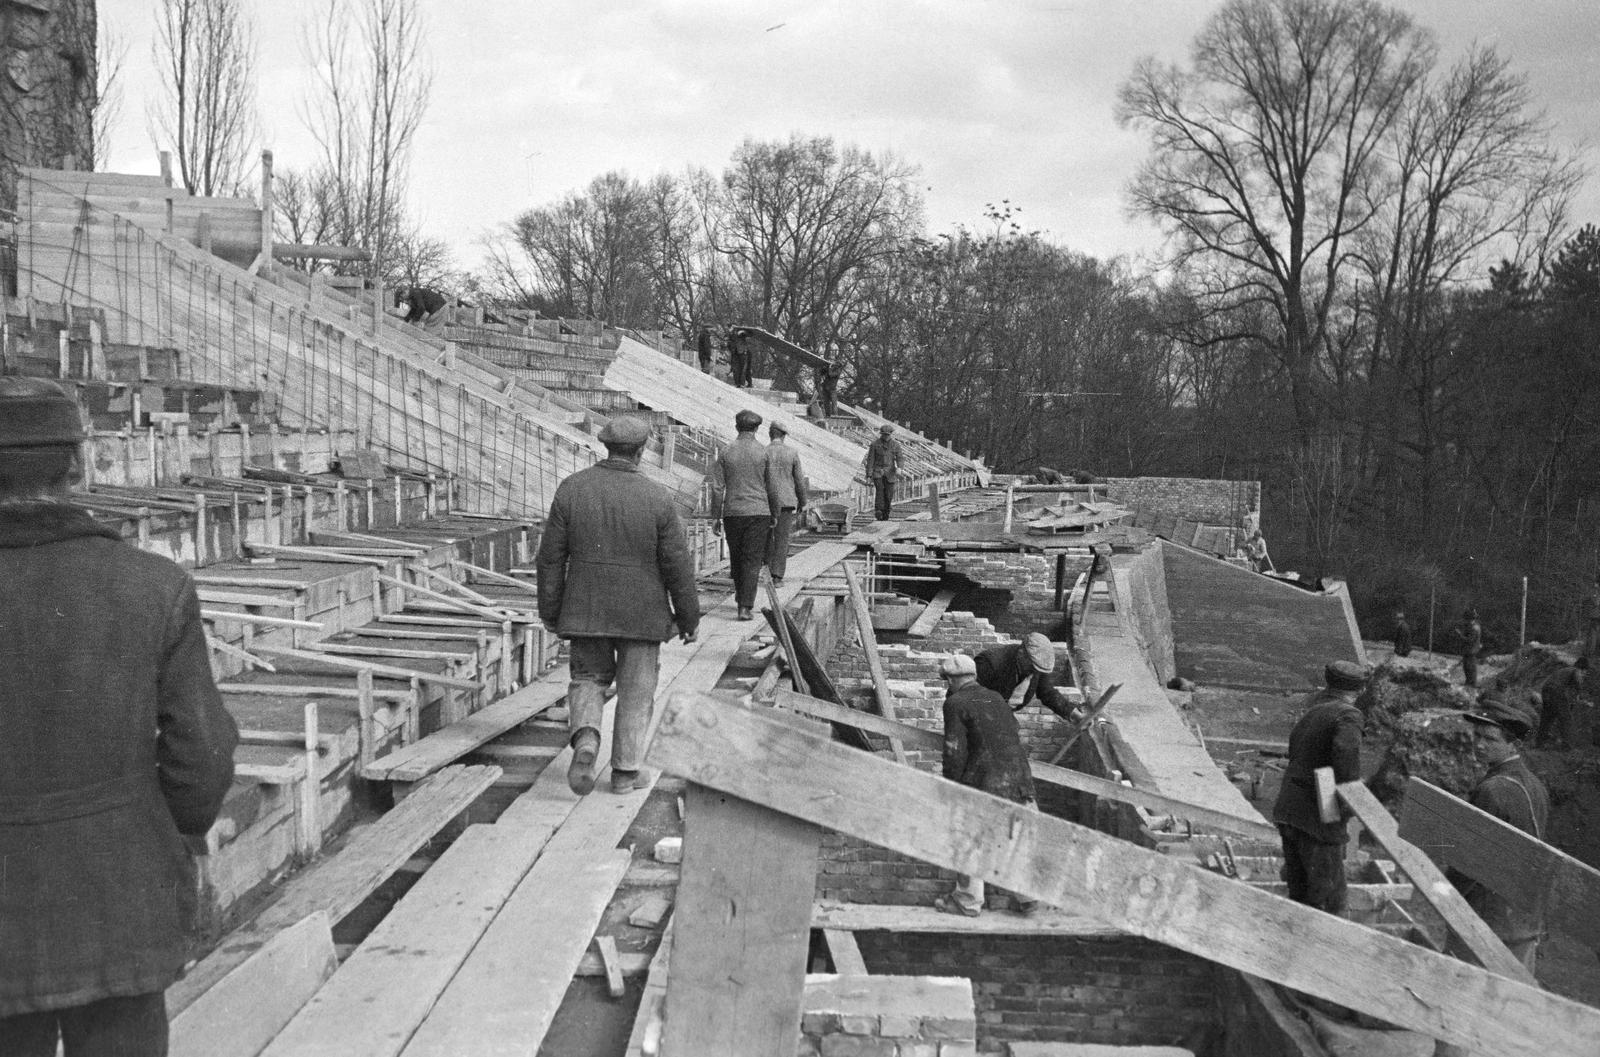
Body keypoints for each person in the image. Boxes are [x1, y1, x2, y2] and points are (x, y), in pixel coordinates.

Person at [0, 378, 239, 1057]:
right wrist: (171, 833)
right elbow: (202, 759)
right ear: (78, 465)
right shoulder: (154, 585)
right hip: (121, 897)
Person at [536, 414, 700, 795]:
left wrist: (551, 611)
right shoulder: (658, 497)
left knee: (587, 679)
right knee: (636, 691)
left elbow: (550, 560)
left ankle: (587, 738)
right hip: (643, 615)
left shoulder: (572, 489)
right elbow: (677, 565)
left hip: (586, 609)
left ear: (606, 447)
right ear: (641, 451)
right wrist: (689, 618)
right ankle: (625, 772)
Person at [932, 654, 1039, 917]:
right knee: (1015, 839)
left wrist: (953, 787)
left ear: (951, 680)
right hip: (1020, 779)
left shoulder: (955, 703)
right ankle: (1027, 898)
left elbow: (954, 749)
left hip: (987, 781)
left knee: (970, 837)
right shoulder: (995, 698)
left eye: (947, 681)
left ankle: (967, 901)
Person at [1454, 691, 1549, 970]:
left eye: (1490, 739)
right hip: (1523, 917)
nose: (1479, 745)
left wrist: (1449, 894)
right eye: (1477, 736)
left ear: (1513, 745)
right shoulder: (1536, 786)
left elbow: (1470, 860)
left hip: (1490, 918)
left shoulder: (1492, 790)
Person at [1272, 660, 1368, 915]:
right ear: (1360, 690)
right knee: (1330, 902)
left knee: (1299, 895)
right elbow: (1345, 759)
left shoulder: (1312, 712)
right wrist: (1348, 805)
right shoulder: (1348, 715)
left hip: (1289, 809)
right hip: (1317, 817)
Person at [711, 409, 776, 621]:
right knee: (752, 559)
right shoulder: (764, 452)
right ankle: (745, 606)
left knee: (737, 557)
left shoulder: (726, 452)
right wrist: (774, 512)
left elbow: (717, 487)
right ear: (756, 429)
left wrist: (715, 516)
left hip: (733, 512)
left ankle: (741, 598)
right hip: (759, 512)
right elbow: (772, 487)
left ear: (736, 427)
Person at [974, 632, 1081, 723]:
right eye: (1033, 667)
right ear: (1021, 653)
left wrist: (1072, 712)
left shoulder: (1035, 666)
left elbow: (1047, 692)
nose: (1035, 672)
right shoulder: (988, 663)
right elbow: (972, 699)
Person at [764, 421, 807, 586]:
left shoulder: (763, 452)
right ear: (783, 436)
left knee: (767, 538)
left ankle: (767, 572)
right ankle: (777, 576)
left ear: (770, 434)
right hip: (786, 502)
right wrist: (802, 501)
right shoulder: (792, 453)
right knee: (782, 539)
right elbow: (799, 481)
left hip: (766, 502)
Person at [1537, 656, 1589, 749]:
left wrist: (1571, 700)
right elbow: (1577, 682)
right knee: (1566, 718)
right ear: (1583, 668)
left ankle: (1539, 743)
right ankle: (1567, 745)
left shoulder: (1565, 670)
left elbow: (1567, 690)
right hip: (1556, 691)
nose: (1585, 673)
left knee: (1547, 717)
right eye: (1585, 671)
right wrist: (1581, 694)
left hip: (1546, 690)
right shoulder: (1576, 670)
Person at [863, 424, 902, 521]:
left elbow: (900, 458)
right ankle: (879, 511)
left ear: (891, 434)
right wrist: (869, 474)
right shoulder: (875, 444)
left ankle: (886, 513)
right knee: (880, 491)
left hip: (890, 472)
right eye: (884, 434)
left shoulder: (896, 445)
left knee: (888, 494)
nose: (886, 437)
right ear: (881, 434)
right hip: (878, 471)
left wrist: (900, 467)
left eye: (887, 435)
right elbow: (870, 460)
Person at [1460, 607, 1483, 687]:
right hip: (1470, 650)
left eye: (1466, 619)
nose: (1464, 621)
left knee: (1470, 667)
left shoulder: (1474, 628)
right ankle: (1469, 682)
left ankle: (1472, 683)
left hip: (1471, 650)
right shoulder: (1474, 626)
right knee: (1467, 666)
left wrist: (1461, 635)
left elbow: (1470, 640)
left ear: (1469, 619)